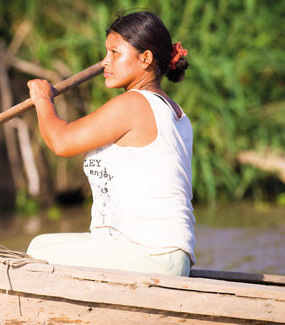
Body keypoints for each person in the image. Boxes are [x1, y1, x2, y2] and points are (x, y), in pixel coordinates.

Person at [25, 11, 194, 276]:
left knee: (37, 255)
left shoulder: (135, 103)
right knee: (40, 242)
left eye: (115, 53)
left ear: (146, 58)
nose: (105, 62)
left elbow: (61, 142)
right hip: (157, 254)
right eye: (106, 53)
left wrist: (43, 100)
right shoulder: (176, 112)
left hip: (152, 255)